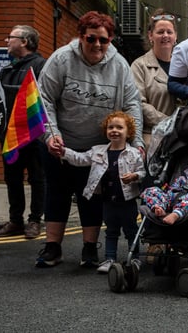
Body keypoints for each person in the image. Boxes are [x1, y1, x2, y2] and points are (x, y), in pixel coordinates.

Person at [36, 11, 144, 268]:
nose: (97, 45)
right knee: (57, 192)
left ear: (111, 40)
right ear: (81, 37)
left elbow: (132, 105)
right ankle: (53, 247)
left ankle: (89, 249)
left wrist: (137, 142)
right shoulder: (61, 59)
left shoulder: (119, 67)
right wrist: (52, 136)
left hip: (98, 145)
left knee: (93, 195)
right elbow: (44, 99)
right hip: (60, 140)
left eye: (103, 40)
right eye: (91, 39)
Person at [60, 111, 145, 274]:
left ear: (129, 133)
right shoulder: (98, 151)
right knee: (111, 231)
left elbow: (142, 173)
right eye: (110, 127)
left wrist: (134, 176)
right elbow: (80, 159)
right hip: (107, 201)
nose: (114, 130)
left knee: (131, 231)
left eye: (119, 127)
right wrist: (64, 152)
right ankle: (110, 259)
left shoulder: (133, 153)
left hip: (127, 201)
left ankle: (134, 258)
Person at [0, 25, 46, 239]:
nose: (7, 41)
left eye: (11, 38)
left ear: (24, 42)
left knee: (37, 178)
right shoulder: (9, 69)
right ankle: (16, 220)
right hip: (11, 135)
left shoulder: (41, 66)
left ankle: (35, 220)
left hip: (34, 135)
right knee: (12, 178)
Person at [130, 9, 179, 149]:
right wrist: (170, 122)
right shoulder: (139, 66)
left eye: (169, 32)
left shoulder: (184, 65)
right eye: (160, 32)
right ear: (150, 35)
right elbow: (139, 103)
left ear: (175, 36)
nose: (165, 35)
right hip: (151, 139)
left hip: (180, 138)